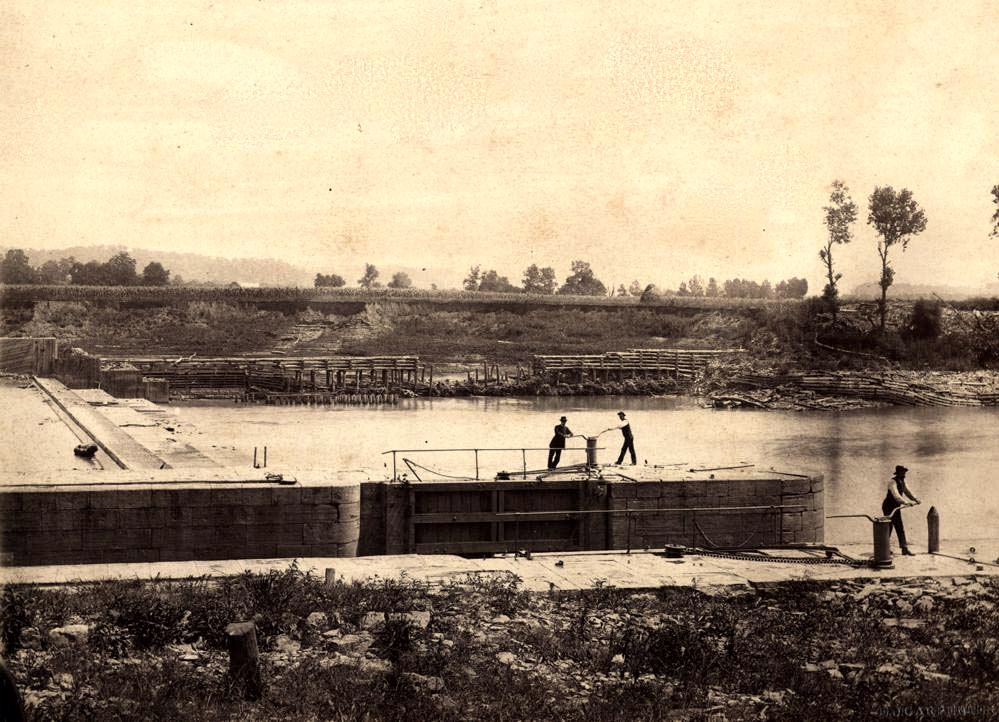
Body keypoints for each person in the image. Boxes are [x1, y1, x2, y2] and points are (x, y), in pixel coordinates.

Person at [882, 464, 921, 556]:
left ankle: (904, 549)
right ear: (898, 473)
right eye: (903, 472)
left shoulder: (903, 481)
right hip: (888, 507)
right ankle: (885, 548)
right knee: (889, 527)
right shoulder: (892, 482)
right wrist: (905, 502)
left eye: (905, 472)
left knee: (900, 527)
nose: (904, 474)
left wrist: (915, 499)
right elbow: (896, 495)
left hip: (896, 507)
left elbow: (907, 492)